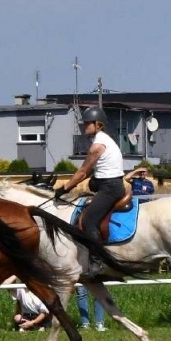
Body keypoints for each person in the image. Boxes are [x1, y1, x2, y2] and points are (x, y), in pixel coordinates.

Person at [55, 106, 124, 249]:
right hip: (111, 186)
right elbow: (88, 172)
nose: (84, 126)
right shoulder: (104, 140)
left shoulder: (97, 146)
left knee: (88, 221)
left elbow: (82, 172)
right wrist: (70, 186)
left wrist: (64, 189)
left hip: (110, 188)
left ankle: (98, 260)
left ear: (98, 125)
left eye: (87, 123)